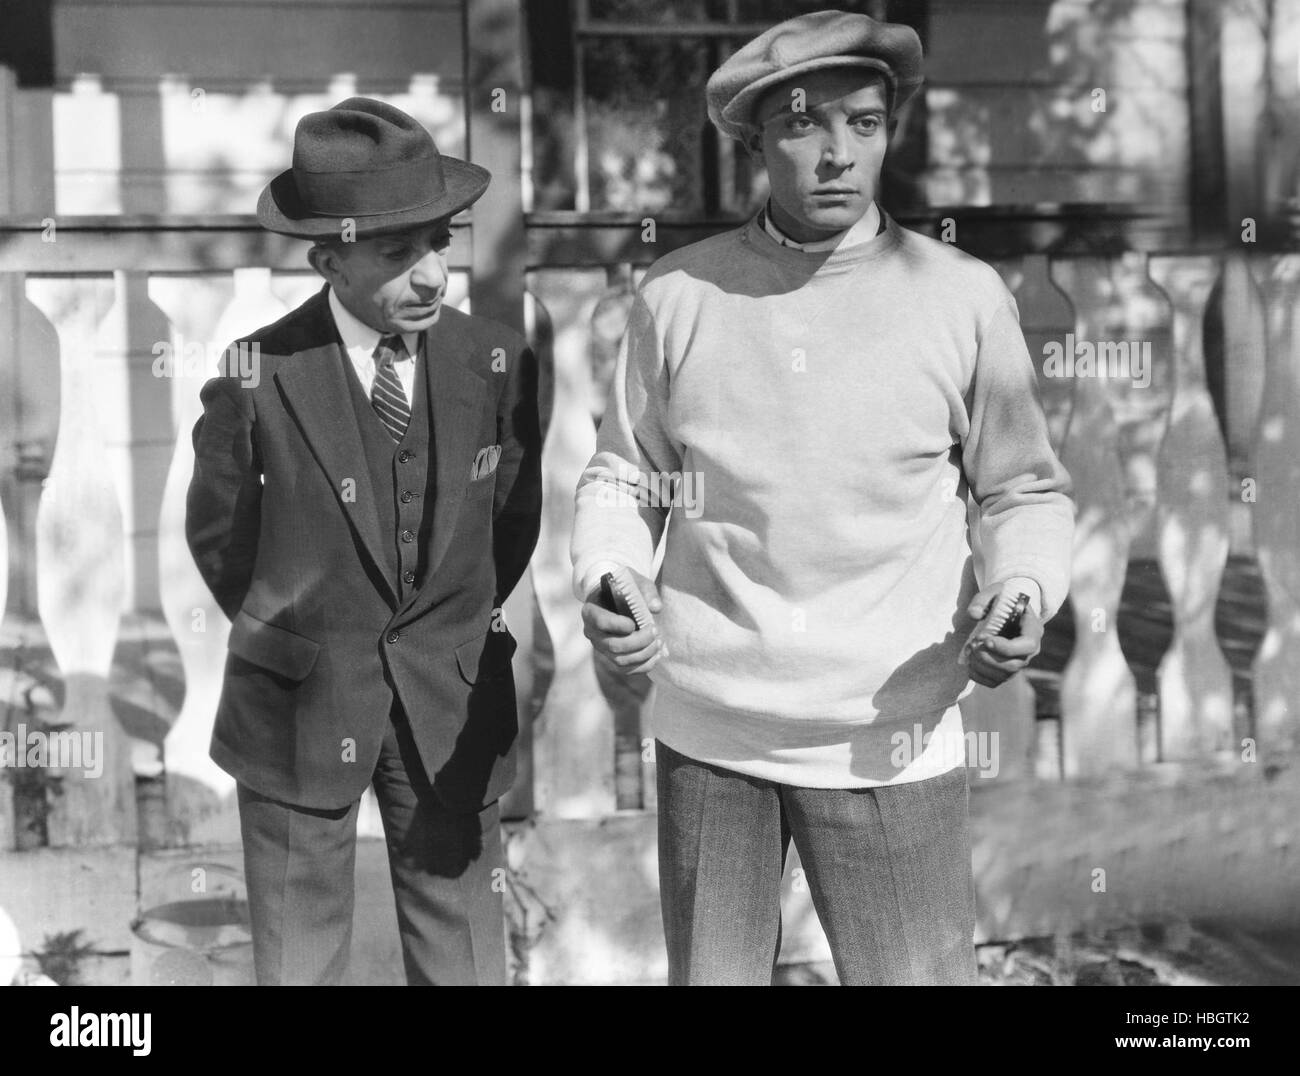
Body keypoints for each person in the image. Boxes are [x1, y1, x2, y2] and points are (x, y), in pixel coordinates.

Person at [570, 9, 1074, 985]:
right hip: (712, 729)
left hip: (887, 731)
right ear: (754, 138)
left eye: (865, 123)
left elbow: (1023, 489)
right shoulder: (677, 296)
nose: (837, 154)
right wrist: (608, 575)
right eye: (804, 124)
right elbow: (623, 473)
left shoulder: (960, 296)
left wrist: (1023, 590)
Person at [187, 97, 542, 985]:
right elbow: (222, 538)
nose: (430, 276)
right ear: (327, 257)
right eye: (395, 252)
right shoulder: (256, 374)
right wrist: (300, 634)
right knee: (299, 960)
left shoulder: (497, 363)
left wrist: (447, 631)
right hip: (296, 706)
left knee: (461, 957)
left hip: (451, 700)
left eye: (440, 245)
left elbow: (512, 524)